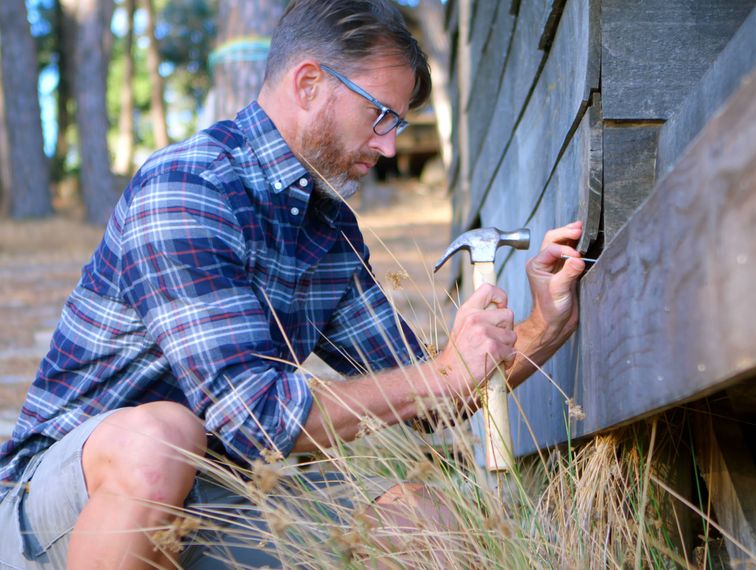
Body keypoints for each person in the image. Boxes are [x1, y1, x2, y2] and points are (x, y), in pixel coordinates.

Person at [0, 1, 587, 567]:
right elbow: (257, 419)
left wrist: (542, 326)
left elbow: (430, 400)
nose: (388, 145)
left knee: (424, 517)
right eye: (380, 114)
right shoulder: (187, 189)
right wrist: (442, 373)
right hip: (58, 514)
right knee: (160, 437)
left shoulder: (327, 226)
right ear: (308, 84)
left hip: (218, 503)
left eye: (398, 124)